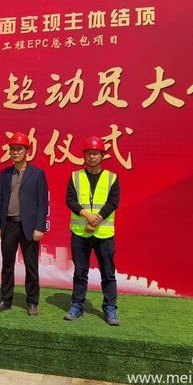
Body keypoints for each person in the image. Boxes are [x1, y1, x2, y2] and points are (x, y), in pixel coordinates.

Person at [64, 135, 120, 326]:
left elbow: (113, 202)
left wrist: (97, 219)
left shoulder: (111, 177)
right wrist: (87, 216)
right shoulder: (75, 176)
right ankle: (77, 305)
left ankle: (110, 307)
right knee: (80, 272)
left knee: (108, 273)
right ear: (84, 155)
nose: (92, 157)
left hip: (104, 234)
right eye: (88, 153)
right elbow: (70, 200)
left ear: (102, 155)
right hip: (80, 233)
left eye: (96, 153)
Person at [0, 132, 48, 317]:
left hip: (29, 226)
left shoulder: (37, 174)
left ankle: (32, 302)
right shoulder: (4, 174)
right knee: (7, 264)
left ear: (27, 151)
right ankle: (5, 299)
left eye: (19, 149)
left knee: (31, 265)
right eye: (12, 149)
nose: (15, 152)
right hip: (9, 224)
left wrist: (39, 227)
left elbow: (42, 202)